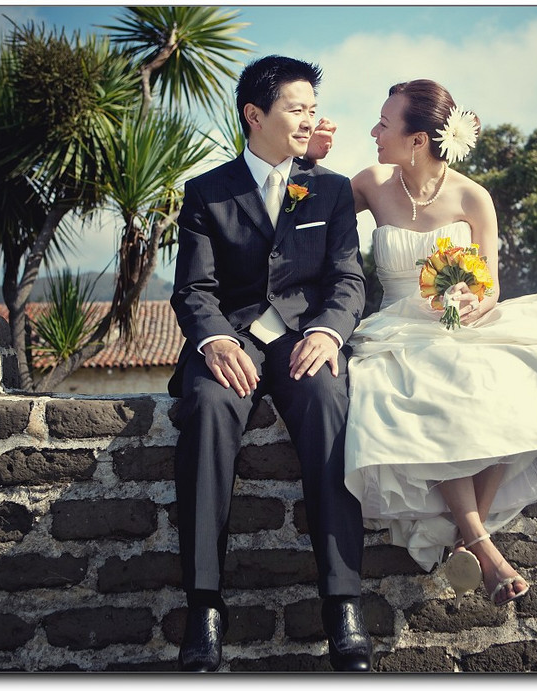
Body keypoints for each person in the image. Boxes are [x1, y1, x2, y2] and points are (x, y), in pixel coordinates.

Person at [341, 80, 537, 607]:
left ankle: (468, 536)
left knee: (510, 377)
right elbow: (312, 207)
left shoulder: (472, 196)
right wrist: (310, 158)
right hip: (396, 330)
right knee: (437, 382)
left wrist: (470, 302)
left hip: (461, 323)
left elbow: (491, 285)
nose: (374, 132)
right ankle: (479, 542)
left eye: (384, 124)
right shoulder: (371, 182)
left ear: (419, 140)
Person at [168, 55, 371, 672]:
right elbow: (193, 289)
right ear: (254, 115)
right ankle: (204, 606)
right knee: (207, 405)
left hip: (305, 337)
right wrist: (213, 341)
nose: (309, 120)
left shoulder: (332, 189)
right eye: (296, 109)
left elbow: (347, 280)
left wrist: (331, 333)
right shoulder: (206, 192)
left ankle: (343, 603)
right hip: (233, 337)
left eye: (313, 109)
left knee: (330, 402)